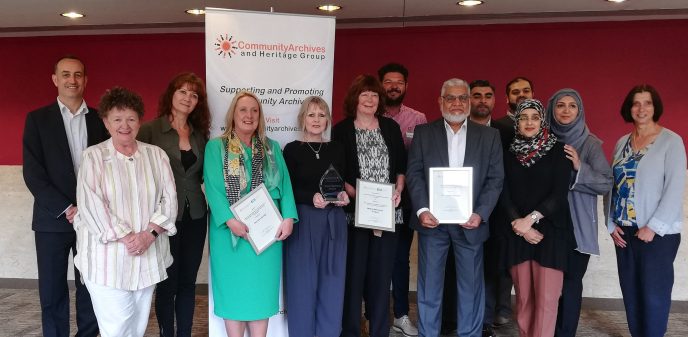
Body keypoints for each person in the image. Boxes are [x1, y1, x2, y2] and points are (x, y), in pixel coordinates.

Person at [74, 86, 178, 337]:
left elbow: (169, 199)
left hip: (148, 255)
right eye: (117, 119)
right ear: (106, 123)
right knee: (116, 327)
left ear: (140, 121)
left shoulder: (156, 155)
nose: (125, 125)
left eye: (131, 118)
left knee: (137, 325)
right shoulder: (93, 156)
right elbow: (91, 204)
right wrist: (128, 237)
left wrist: (148, 235)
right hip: (107, 260)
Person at [406, 78, 504, 337]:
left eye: (463, 98)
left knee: (471, 289)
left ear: (469, 102)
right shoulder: (424, 133)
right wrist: (421, 210)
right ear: (441, 102)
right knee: (429, 288)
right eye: (451, 98)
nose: (457, 103)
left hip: (470, 223)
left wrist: (480, 213)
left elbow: (496, 179)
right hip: (432, 223)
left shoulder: (489, 136)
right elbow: (414, 174)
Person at [22, 55, 106, 337]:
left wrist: (89, 209)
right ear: (55, 80)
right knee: (52, 290)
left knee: (91, 285)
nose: (73, 80)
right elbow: (33, 174)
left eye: (78, 74)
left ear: (86, 80)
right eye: (66, 74)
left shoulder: (100, 120)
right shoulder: (37, 120)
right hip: (52, 221)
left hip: (94, 221)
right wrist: (68, 208)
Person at [203, 91, 298, 337]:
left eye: (254, 111)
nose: (249, 115)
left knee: (261, 293)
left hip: (267, 234)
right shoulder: (217, 147)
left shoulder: (271, 148)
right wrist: (229, 220)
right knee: (233, 292)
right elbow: (213, 189)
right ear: (233, 114)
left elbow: (285, 185)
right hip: (230, 235)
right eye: (243, 110)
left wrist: (288, 217)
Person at [607, 84, 685, 337]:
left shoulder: (671, 141)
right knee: (631, 293)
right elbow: (613, 185)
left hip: (657, 235)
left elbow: (675, 188)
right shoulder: (622, 143)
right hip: (624, 232)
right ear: (629, 108)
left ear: (655, 107)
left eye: (647, 103)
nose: (641, 108)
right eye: (636, 103)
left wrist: (653, 227)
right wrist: (610, 224)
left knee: (653, 297)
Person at [137, 72, 210, 337]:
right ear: (171, 94)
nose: (188, 98)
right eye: (183, 91)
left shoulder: (201, 135)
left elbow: (205, 175)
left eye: (194, 95)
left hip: (197, 216)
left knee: (188, 282)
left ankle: (185, 333)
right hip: (164, 218)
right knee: (167, 282)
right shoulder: (149, 130)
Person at [332, 74, 406, 337]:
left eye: (375, 95)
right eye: (365, 95)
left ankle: (379, 331)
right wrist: (355, 193)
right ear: (355, 98)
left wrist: (399, 187)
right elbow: (336, 171)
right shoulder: (341, 130)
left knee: (381, 278)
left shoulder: (390, 127)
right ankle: (350, 331)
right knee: (354, 277)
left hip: (387, 215)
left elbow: (400, 166)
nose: (370, 100)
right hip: (354, 216)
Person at [499, 99, 573, 337]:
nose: (529, 122)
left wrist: (529, 220)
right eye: (524, 117)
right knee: (523, 299)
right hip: (517, 232)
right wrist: (519, 225)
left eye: (534, 117)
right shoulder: (508, 153)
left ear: (542, 121)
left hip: (550, 233)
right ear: (517, 121)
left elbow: (559, 195)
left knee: (546, 300)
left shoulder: (559, 151)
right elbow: (503, 193)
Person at [545, 89, 612, 337]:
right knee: (547, 287)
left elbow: (606, 183)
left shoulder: (590, 143)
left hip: (577, 227)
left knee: (571, 284)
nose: (565, 110)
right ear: (551, 109)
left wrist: (579, 167)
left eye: (572, 106)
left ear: (579, 110)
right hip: (546, 225)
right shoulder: (542, 138)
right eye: (560, 105)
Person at [283, 96, 350, 337]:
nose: (316, 119)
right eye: (311, 114)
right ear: (302, 118)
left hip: (334, 222)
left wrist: (343, 196)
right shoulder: (291, 149)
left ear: (328, 120)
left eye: (321, 115)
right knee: (302, 286)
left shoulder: (337, 148)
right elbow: (287, 189)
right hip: (303, 222)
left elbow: (340, 183)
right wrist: (309, 197)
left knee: (332, 285)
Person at [378, 62, 426, 337]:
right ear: (379, 85)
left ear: (406, 86)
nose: (394, 86)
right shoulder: (369, 114)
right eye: (388, 82)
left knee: (399, 258)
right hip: (370, 201)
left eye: (399, 82)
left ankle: (400, 314)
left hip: (404, 201)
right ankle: (373, 314)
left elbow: (420, 160)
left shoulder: (418, 118)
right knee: (374, 257)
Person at [467, 79, 511, 336]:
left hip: (497, 212)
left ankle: (485, 322)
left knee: (491, 268)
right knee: (461, 268)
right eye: (477, 95)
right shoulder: (457, 129)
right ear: (469, 100)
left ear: (495, 101)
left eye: (487, 95)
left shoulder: (506, 132)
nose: (482, 100)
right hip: (460, 212)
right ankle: (458, 319)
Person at [493, 77, 535, 151]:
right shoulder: (495, 128)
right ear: (507, 98)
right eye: (516, 92)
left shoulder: (544, 126)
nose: (521, 95)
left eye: (526, 91)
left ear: (533, 95)